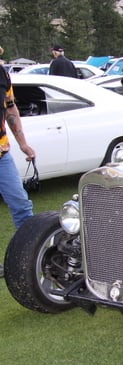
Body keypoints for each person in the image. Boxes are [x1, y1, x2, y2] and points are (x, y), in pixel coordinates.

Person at [0, 46, 35, 277]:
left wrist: (22, 143)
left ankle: (32, 251)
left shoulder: (3, 75)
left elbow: (10, 108)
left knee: (21, 203)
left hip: (2, 153)